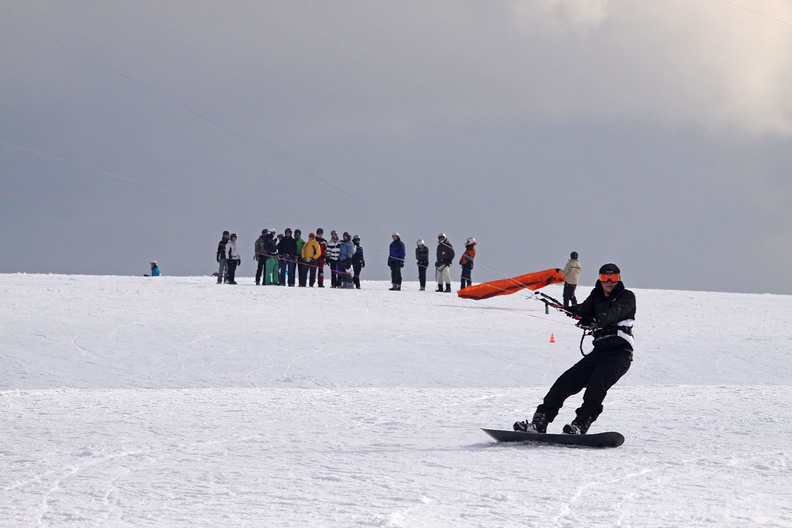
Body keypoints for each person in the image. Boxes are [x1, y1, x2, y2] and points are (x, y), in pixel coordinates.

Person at [513, 263, 635, 435]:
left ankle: (580, 424)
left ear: (618, 279)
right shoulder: (596, 296)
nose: (609, 281)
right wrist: (567, 309)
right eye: (604, 277)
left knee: (595, 388)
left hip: (619, 354)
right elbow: (582, 310)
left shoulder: (626, 297)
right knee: (563, 383)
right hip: (599, 352)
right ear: (599, 279)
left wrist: (595, 321)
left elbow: (614, 313)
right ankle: (540, 422)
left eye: (613, 277)